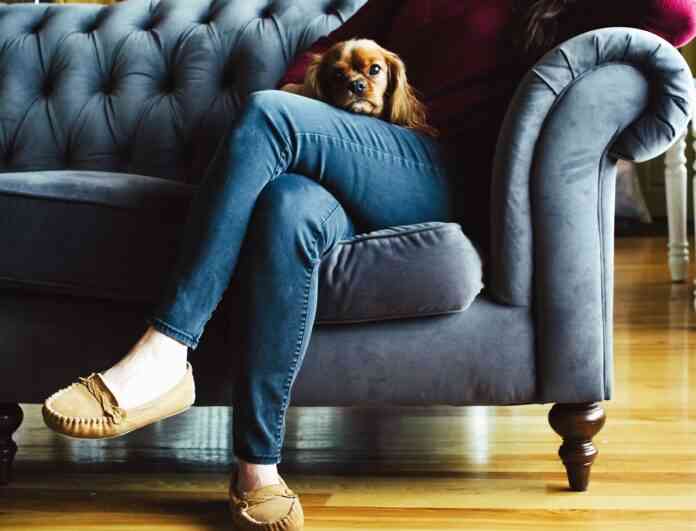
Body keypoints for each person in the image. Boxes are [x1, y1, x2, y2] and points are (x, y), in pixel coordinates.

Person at [42, 1, 696, 530]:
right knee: (286, 207)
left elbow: (677, 16)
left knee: (270, 115)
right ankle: (256, 467)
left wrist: (301, 120)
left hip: (440, 170)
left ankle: (165, 351)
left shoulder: (554, 6)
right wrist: (318, 111)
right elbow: (321, 52)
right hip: (356, 156)